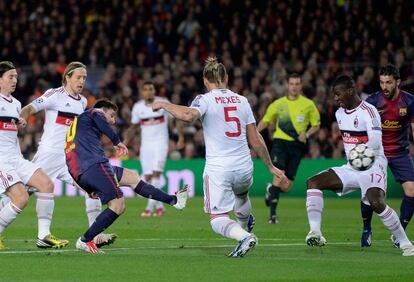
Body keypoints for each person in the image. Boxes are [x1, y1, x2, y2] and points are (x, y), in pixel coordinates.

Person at [152, 57, 287, 258]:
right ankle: (244, 228)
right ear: (227, 78)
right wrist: (270, 166)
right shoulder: (242, 100)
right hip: (244, 166)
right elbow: (256, 139)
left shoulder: (204, 99)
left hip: (219, 168)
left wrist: (164, 104)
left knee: (216, 219)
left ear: (205, 81)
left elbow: (188, 116)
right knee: (241, 195)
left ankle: (244, 237)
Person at [305, 74, 414, 256]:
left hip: (373, 164)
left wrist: (360, 152)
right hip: (352, 166)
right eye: (334, 95)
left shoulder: (369, 111)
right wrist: (354, 159)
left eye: (338, 94)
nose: (336, 98)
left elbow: (376, 141)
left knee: (376, 202)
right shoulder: (339, 114)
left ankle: (405, 243)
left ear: (349, 91)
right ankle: (315, 232)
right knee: (313, 182)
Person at [64, 99, 188, 253]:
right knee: (118, 205)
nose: (113, 120)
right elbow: (102, 122)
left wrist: (79, 180)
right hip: (93, 165)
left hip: (83, 170)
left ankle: (174, 200)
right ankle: (85, 240)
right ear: (104, 110)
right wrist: (117, 142)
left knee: (132, 176)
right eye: (112, 115)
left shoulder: (79, 124)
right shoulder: (95, 112)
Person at [19, 62, 116, 249]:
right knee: (20, 195)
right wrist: (22, 117)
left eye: (84, 78)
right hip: (49, 155)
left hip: (70, 159)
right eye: (78, 77)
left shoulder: (82, 102)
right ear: (67, 77)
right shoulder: (54, 95)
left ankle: (94, 235)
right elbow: (31, 107)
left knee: (92, 190)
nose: (82, 81)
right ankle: (40, 234)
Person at [0, 61, 56, 250]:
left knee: (46, 184)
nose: (15, 80)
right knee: (21, 198)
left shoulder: (16, 104)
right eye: (10, 77)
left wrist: (19, 121)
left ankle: (43, 236)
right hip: (1, 159)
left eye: (16, 76)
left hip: (15, 157)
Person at [360, 64, 414, 247]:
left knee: (412, 190)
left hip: (400, 153)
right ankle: (367, 230)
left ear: (397, 82)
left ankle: (399, 235)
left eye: (389, 82)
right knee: (369, 194)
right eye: (382, 82)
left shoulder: (409, 101)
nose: (385, 87)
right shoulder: (373, 101)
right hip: (378, 153)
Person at [257, 73, 320, 224]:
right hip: (280, 143)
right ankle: (272, 216)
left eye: (297, 84)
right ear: (287, 85)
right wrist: (253, 136)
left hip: (298, 146)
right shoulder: (279, 104)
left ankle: (270, 190)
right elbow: (265, 121)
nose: (294, 86)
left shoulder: (308, 104)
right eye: (292, 83)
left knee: (287, 186)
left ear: (301, 85)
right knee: (279, 175)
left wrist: (307, 134)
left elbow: (316, 125)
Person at [127, 81, 176, 217]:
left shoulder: (163, 102)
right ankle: (160, 207)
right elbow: (134, 126)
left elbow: (174, 118)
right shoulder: (138, 107)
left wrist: (181, 137)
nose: (149, 91)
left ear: (155, 90)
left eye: (151, 89)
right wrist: (125, 140)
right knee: (147, 177)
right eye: (146, 89)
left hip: (161, 143)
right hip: (146, 145)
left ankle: (149, 209)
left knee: (156, 174)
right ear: (142, 92)